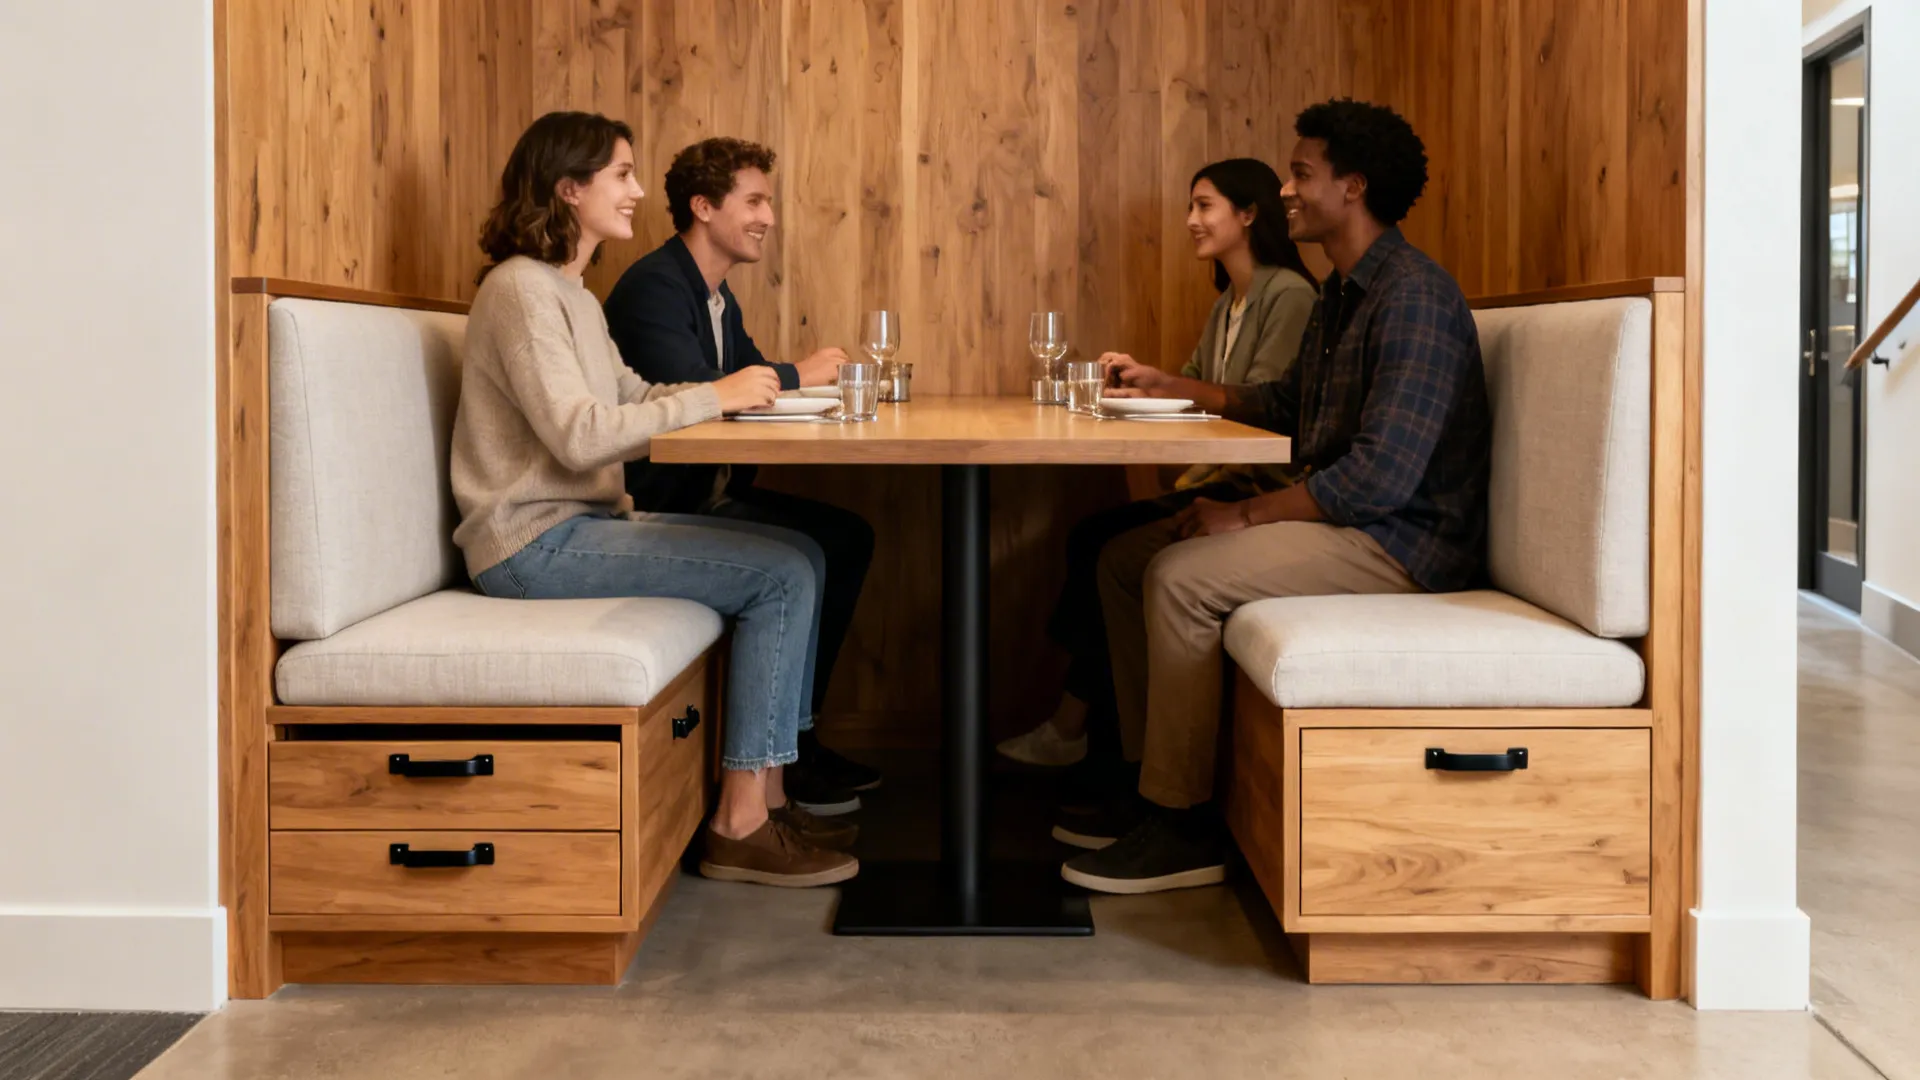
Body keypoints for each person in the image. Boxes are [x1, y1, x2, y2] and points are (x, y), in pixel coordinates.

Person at [1059, 99, 1493, 894]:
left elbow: (1379, 479)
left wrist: (1243, 514)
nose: (1286, 191)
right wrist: (1176, 386)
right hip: (1351, 520)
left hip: (1403, 541)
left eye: (1301, 174)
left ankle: (1183, 825)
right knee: (1124, 560)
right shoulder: (1340, 295)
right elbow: (1285, 405)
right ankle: (1145, 783)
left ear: (1353, 187)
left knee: (1179, 575)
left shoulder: (1414, 298)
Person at [449, 111, 858, 888]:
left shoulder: (569, 292)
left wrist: (724, 392)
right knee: (779, 576)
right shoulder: (522, 292)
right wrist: (715, 396)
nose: (637, 191)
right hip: (531, 544)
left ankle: (769, 798)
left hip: (581, 526)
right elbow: (580, 436)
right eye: (622, 175)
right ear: (569, 189)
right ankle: (739, 824)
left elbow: (634, 395)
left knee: (800, 554)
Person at [996, 159, 1318, 790]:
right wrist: (1140, 379)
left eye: (1204, 206)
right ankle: (1088, 732)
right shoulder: (1229, 303)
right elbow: (1194, 386)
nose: (1191, 220)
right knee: (1093, 539)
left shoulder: (1289, 295)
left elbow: (1259, 405)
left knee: (1101, 547)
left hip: (1257, 488)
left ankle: (1092, 738)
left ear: (1248, 214)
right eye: (1191, 207)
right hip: (1221, 480)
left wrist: (1164, 389)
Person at [604, 137, 880, 815]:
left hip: (710, 493)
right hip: (662, 503)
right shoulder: (654, 288)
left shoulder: (716, 296)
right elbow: (700, 390)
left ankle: (796, 739)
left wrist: (802, 381)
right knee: (816, 551)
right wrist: (802, 373)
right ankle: (789, 749)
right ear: (704, 207)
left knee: (844, 538)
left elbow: (751, 382)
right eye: (754, 201)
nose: (768, 218)